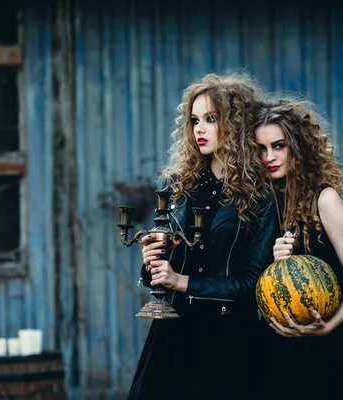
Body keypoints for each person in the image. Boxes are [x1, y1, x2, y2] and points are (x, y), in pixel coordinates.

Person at [127, 73, 278, 400]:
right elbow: (160, 279)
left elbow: (254, 283)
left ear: (236, 123)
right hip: (174, 333)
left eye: (211, 119)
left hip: (229, 338)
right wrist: (152, 263)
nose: (199, 128)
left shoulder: (261, 196)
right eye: (195, 120)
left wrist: (183, 282)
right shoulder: (177, 187)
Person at [253, 97, 343, 399]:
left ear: (300, 146)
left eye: (279, 146)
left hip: (321, 341)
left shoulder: (325, 199)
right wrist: (276, 259)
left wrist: (329, 327)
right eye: (261, 149)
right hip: (274, 341)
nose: (270, 156)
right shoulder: (268, 204)